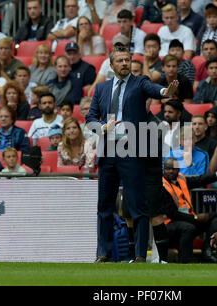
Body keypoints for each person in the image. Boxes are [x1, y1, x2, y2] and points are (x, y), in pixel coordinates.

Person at [85, 46, 178, 263]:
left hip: (131, 150)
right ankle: (104, 253)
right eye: (120, 60)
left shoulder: (139, 82)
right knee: (105, 205)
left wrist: (166, 92)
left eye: (127, 60)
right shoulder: (101, 89)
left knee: (138, 204)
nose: (125, 63)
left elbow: (156, 89)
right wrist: (102, 127)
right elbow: (90, 118)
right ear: (112, 65)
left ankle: (139, 255)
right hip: (108, 150)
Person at [160, 157, 217, 263]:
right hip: (168, 225)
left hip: (186, 219)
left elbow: (200, 180)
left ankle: (207, 251)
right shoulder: (162, 186)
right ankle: (185, 261)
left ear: (179, 169)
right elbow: (172, 214)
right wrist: (195, 218)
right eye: (168, 169)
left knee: (214, 217)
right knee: (188, 228)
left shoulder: (181, 179)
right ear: (163, 169)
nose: (171, 171)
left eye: (174, 168)